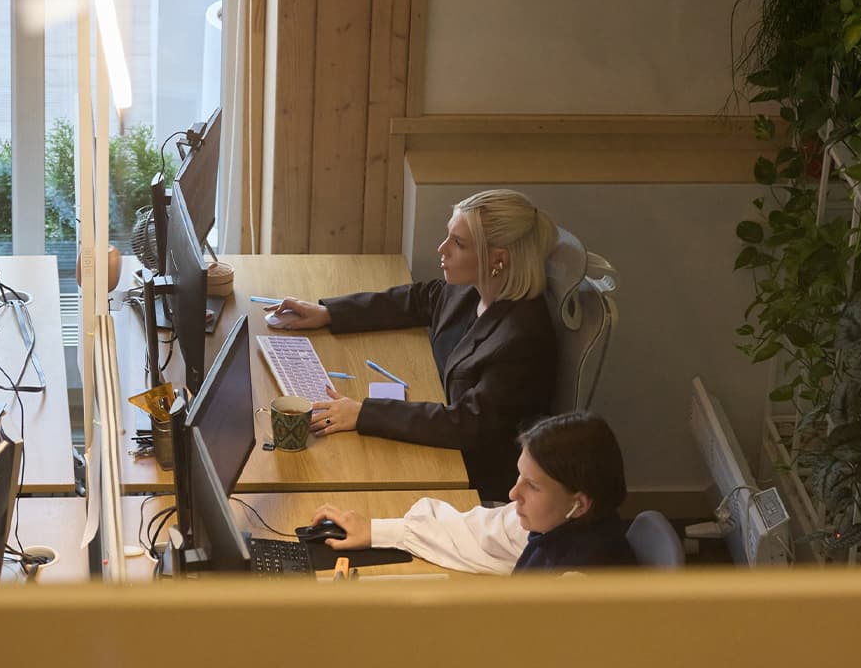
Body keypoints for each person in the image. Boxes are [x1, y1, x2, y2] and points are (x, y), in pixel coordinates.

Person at [265, 188, 559, 502]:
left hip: (468, 474)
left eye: (458, 243)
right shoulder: (476, 287)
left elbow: (467, 424)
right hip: (440, 436)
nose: (442, 249)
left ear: (498, 259)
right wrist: (330, 313)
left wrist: (364, 413)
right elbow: (422, 299)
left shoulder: (522, 338)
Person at [308, 412, 639, 573]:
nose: (513, 493)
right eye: (520, 476)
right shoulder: (558, 524)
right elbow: (476, 533)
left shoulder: (581, 583)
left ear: (579, 504)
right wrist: (377, 531)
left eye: (533, 486)